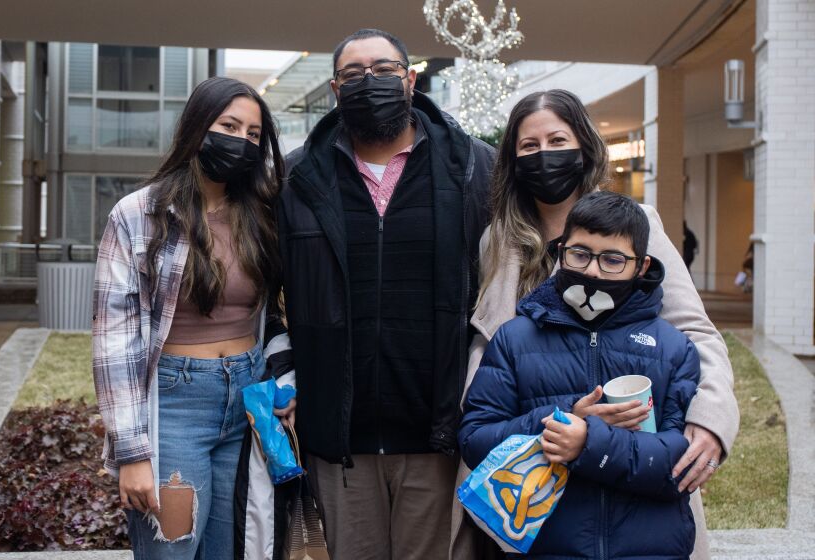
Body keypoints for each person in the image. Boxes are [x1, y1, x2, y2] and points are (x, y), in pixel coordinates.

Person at [452, 90, 739, 560]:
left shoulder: (638, 225)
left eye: (558, 139)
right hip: (531, 471)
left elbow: (695, 333)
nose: (545, 155)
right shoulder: (500, 241)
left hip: (633, 471)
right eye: (529, 146)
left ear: (584, 146)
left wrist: (710, 420)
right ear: (512, 159)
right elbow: (490, 356)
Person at [277, 28, 495, 559]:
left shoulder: (475, 168)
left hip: (437, 435)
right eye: (353, 75)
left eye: (383, 70)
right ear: (335, 89)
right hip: (339, 440)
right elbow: (265, 292)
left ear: (411, 79)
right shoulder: (296, 177)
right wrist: (282, 371)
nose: (368, 82)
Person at [92, 77, 293, 559]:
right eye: (229, 125)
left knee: (234, 550)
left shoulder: (263, 213)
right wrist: (133, 454)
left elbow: (284, 311)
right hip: (174, 407)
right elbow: (113, 342)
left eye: (252, 134)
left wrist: (283, 380)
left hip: (247, 403)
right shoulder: (141, 213)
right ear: (196, 128)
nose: (240, 140)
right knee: (173, 550)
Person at [460, 191, 700, 558]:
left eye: (613, 260)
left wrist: (589, 444)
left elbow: (679, 465)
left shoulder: (672, 348)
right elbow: (475, 442)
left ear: (641, 266)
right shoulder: (515, 338)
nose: (592, 271)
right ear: (560, 251)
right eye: (580, 254)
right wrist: (559, 421)